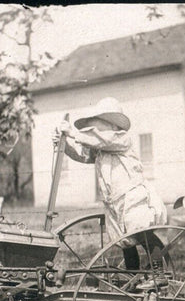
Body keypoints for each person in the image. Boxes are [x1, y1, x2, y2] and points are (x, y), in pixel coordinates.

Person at [56, 97, 167, 272]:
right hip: (114, 201)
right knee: (124, 241)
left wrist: (73, 133)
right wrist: (65, 145)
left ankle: (159, 269)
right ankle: (133, 273)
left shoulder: (121, 140)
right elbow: (83, 155)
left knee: (141, 231)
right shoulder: (101, 149)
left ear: (114, 127)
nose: (94, 133)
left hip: (132, 196)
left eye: (98, 128)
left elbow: (103, 140)